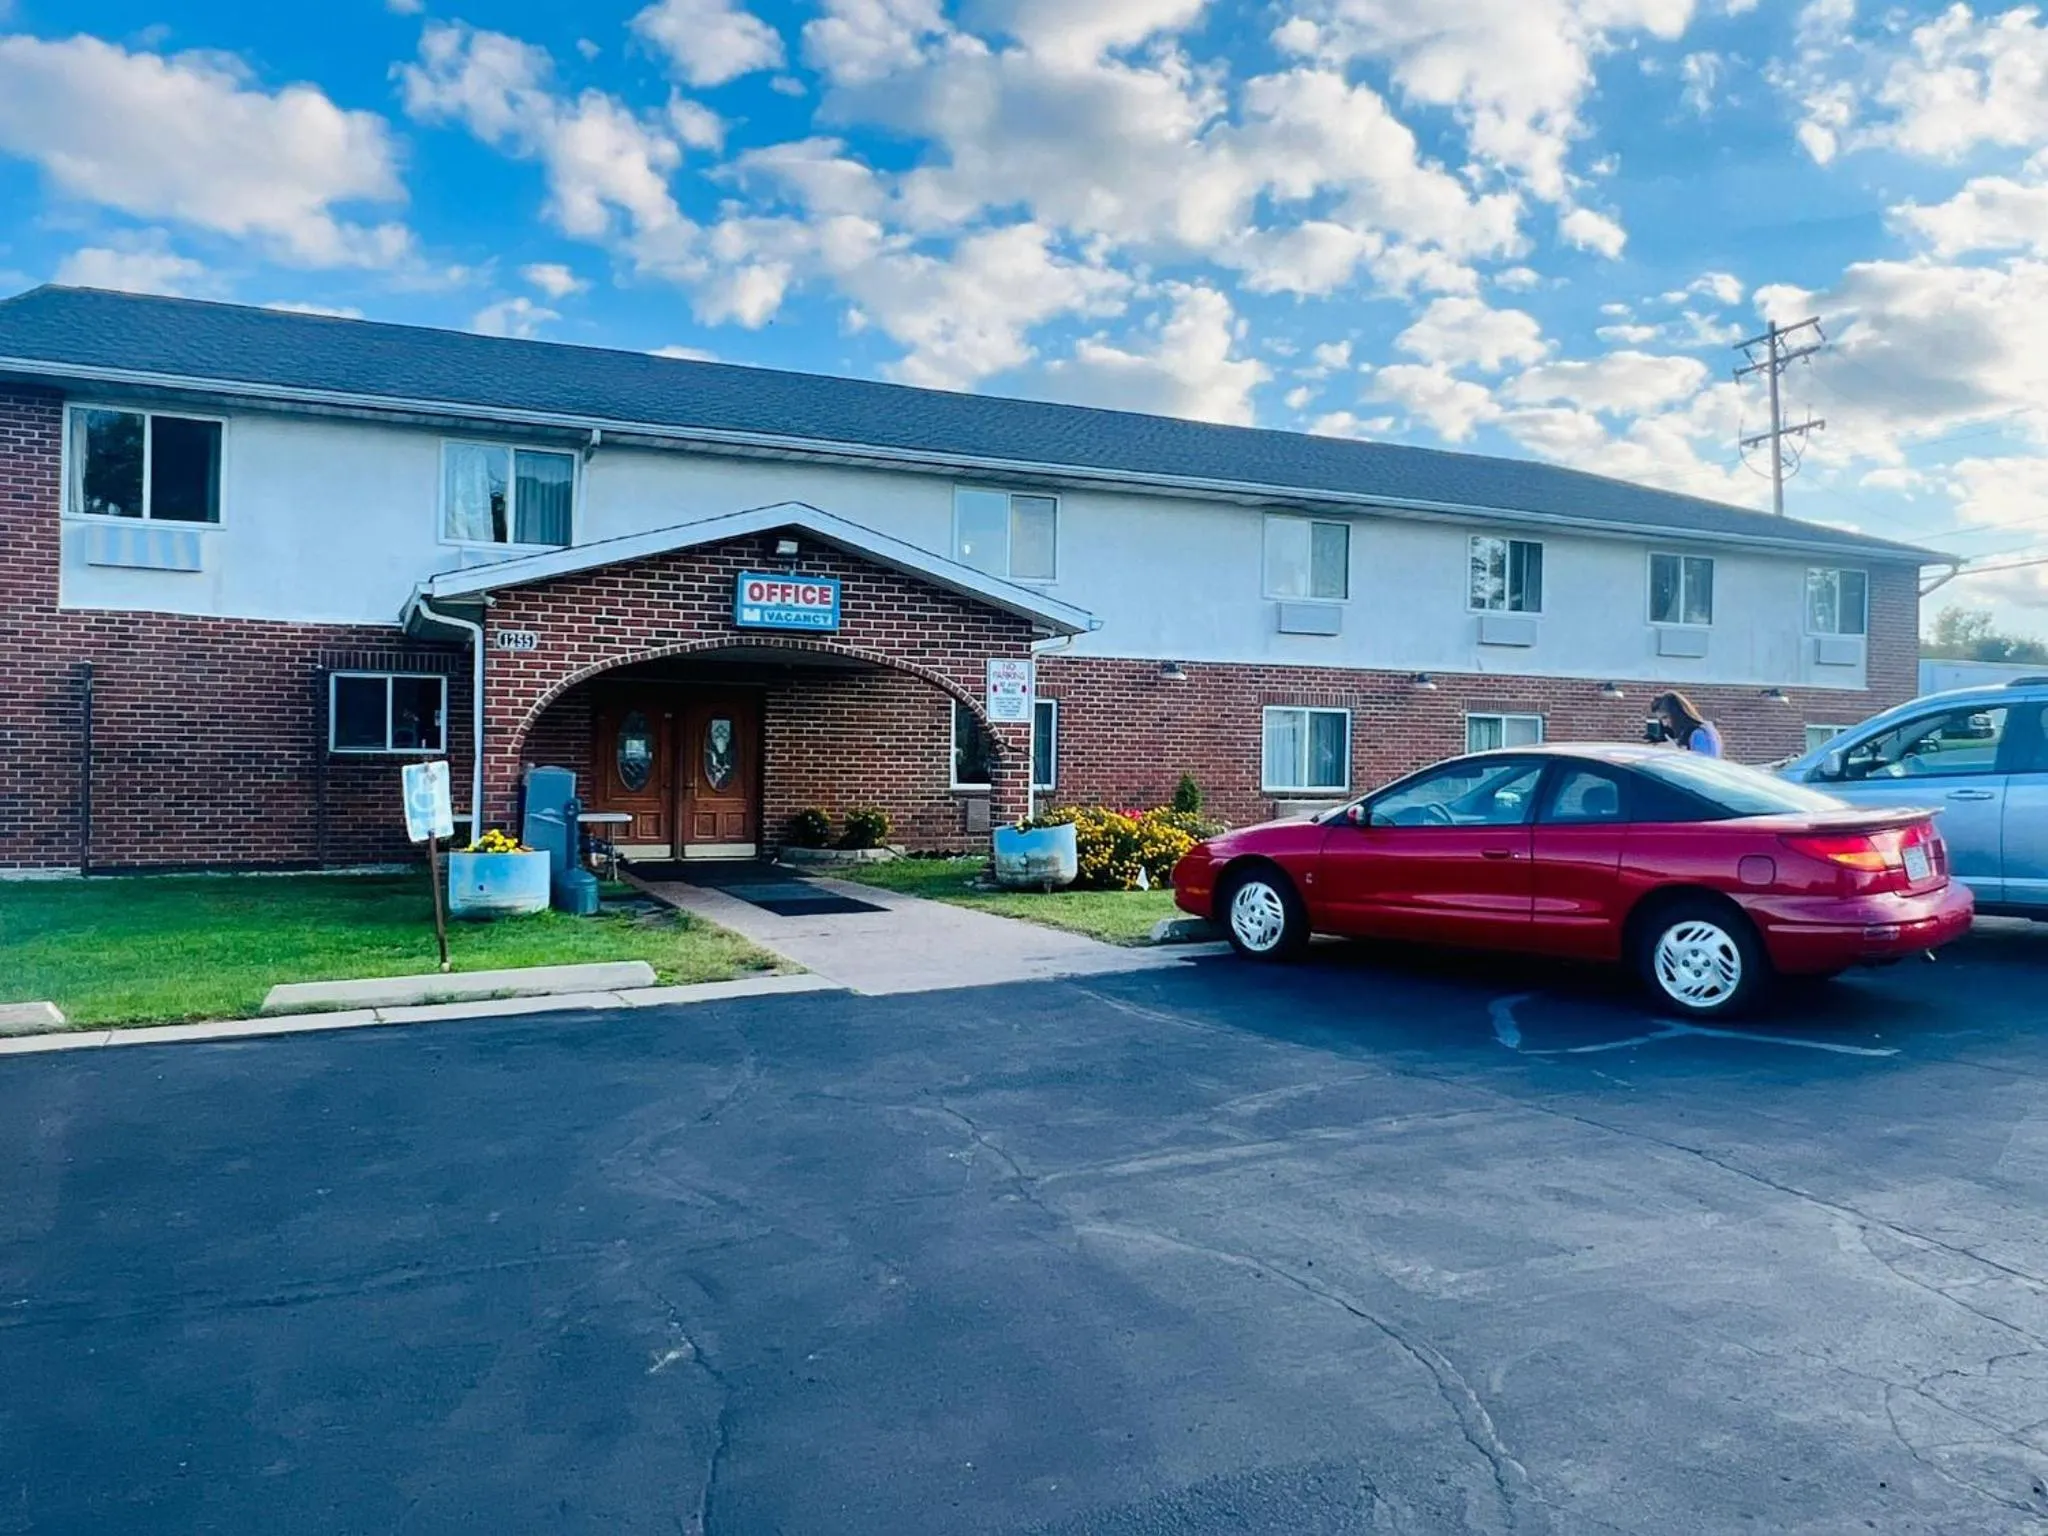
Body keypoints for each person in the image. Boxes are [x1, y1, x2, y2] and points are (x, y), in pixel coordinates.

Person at [1649, 690, 1723, 757]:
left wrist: (1676, 751)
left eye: (1665, 717)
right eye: (1661, 720)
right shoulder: (1693, 732)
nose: (1664, 724)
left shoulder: (1699, 734)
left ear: (1677, 713)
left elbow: (1702, 763)